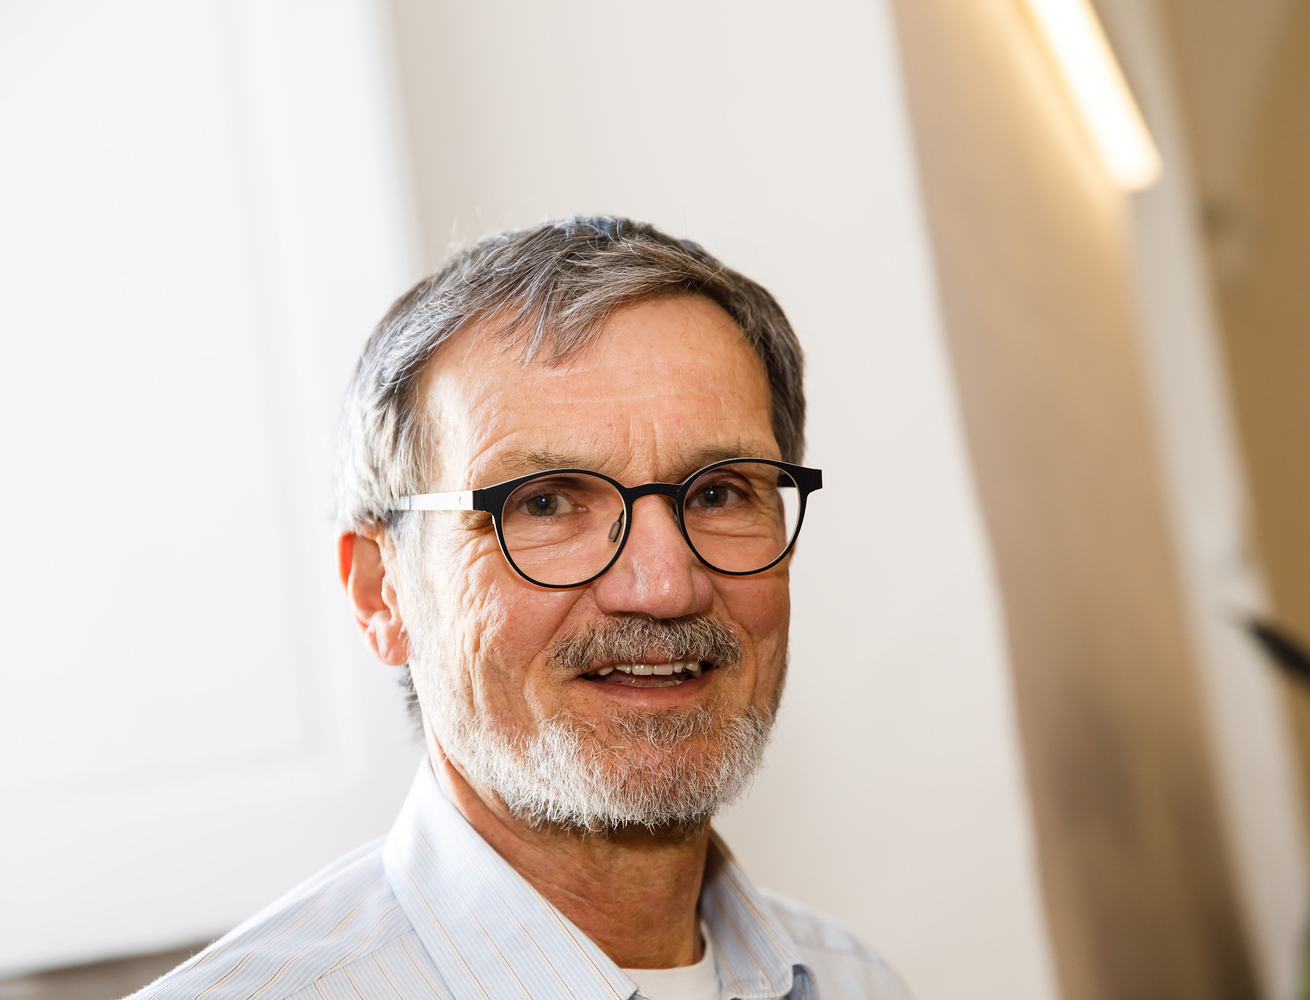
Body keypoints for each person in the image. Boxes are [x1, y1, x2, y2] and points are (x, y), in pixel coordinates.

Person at [133, 217, 910, 1000]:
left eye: (718, 494)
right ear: (381, 591)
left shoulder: (861, 982)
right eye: (544, 503)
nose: (664, 587)